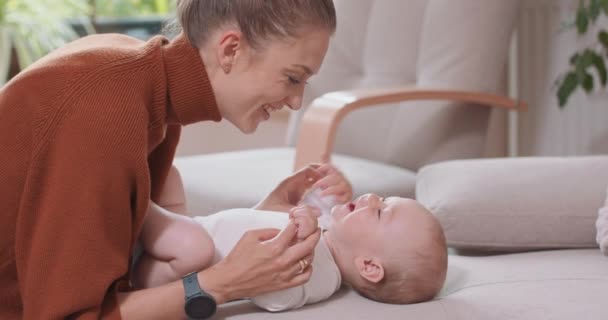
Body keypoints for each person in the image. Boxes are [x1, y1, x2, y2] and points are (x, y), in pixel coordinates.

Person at [0, 1, 337, 319]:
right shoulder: (107, 110)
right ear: (231, 50)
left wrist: (253, 216)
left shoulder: (141, 79)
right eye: (293, 78)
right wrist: (224, 283)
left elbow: (138, 255)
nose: (296, 102)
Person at [136, 164, 448, 310]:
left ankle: (132, 200)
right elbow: (255, 220)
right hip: (187, 229)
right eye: (383, 198)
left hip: (175, 269)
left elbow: (276, 297)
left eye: (380, 212)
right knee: (170, 175)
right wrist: (326, 187)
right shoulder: (325, 230)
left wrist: (300, 243)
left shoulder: (322, 275)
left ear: (368, 265)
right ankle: (140, 213)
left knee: (194, 247)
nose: (372, 198)